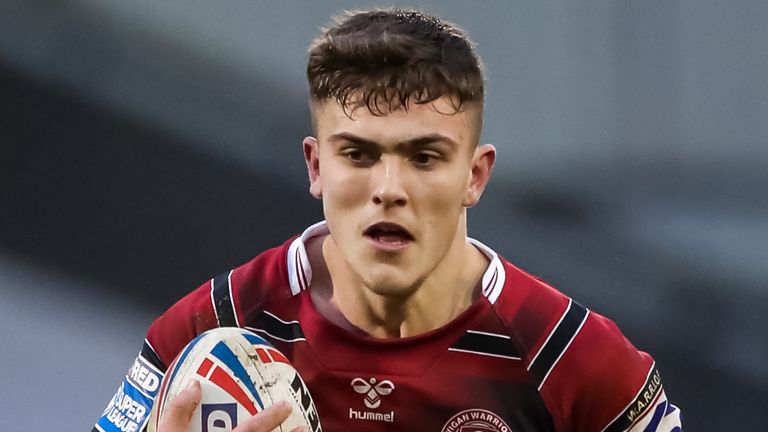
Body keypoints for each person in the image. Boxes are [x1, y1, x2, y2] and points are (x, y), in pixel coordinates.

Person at [94, 8, 682, 432]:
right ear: (316, 165)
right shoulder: (214, 328)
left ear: (474, 176)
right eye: (359, 154)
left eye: (424, 158)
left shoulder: (567, 357)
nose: (389, 190)